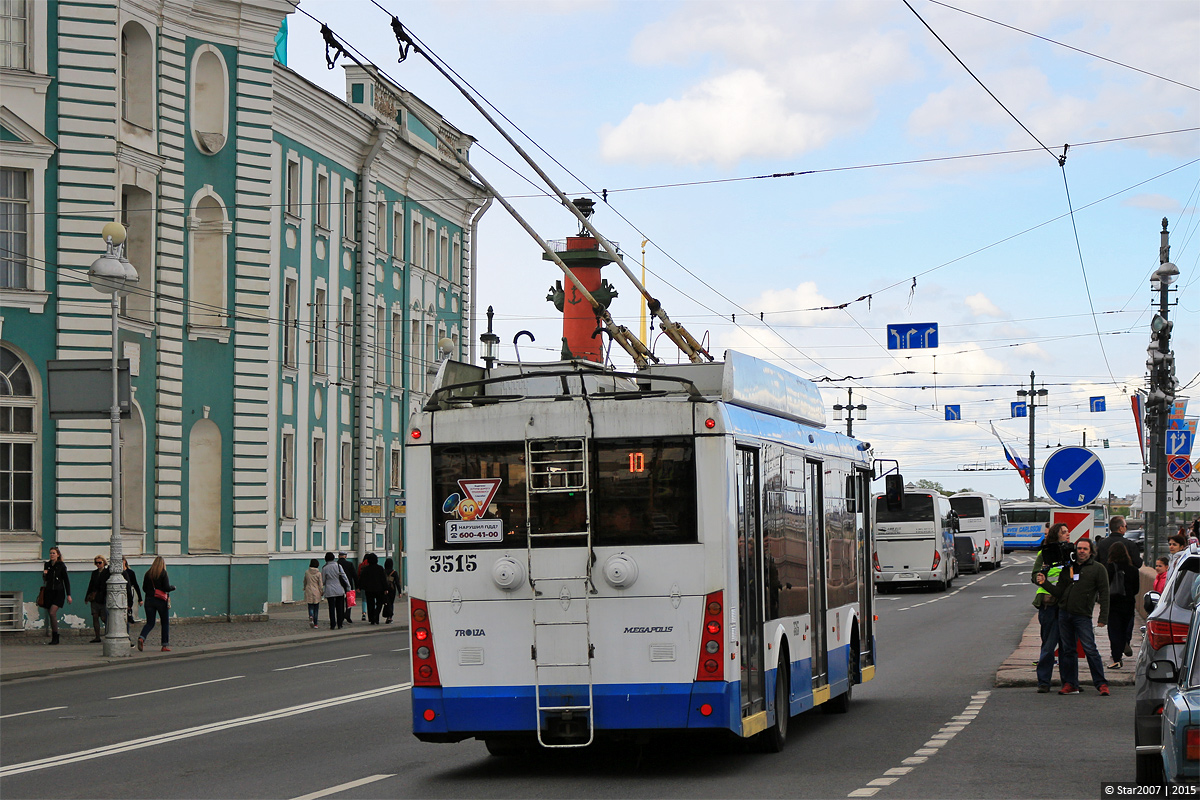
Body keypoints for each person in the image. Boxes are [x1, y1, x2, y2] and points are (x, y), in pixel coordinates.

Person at [1037, 537, 1110, 696]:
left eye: (1085, 549)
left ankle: (1101, 683)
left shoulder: (1098, 569)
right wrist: (1044, 583)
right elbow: (1059, 592)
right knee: (1068, 650)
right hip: (1064, 614)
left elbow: (1104, 594)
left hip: (1082, 615)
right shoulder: (1068, 568)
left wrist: (1103, 618)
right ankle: (1071, 684)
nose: (1081, 551)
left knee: (1090, 649)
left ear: (1091, 551)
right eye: (1079, 548)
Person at [1031, 523, 1072, 693]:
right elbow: (1034, 576)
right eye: (1064, 532)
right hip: (1048, 603)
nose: (1067, 534)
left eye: (1068, 532)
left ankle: (1068, 682)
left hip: (1066, 604)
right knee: (1048, 645)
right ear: (1056, 536)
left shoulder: (1072, 552)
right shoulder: (1045, 553)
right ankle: (1043, 681)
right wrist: (1042, 576)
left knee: (1066, 645)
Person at [1105, 540, 1139, 670]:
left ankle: (1117, 659)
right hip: (1128, 603)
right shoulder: (1133, 570)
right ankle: (1125, 642)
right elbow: (1136, 589)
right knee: (1126, 627)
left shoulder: (1109, 568)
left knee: (1114, 631)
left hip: (1113, 603)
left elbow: (1105, 586)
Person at [138, 556, 175, 652]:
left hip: (149, 600)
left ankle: (142, 637)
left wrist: (151, 592)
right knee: (165, 623)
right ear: (162, 564)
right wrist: (173, 587)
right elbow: (166, 587)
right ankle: (164, 645)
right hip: (161, 601)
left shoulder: (148, 574)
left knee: (150, 622)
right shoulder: (163, 573)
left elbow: (144, 588)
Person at [40, 546, 71, 645]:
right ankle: (54, 636)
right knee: (50, 614)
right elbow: (45, 579)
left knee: (53, 613)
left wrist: (68, 595)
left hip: (59, 592)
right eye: (50, 553)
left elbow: (66, 581)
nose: (52, 555)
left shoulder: (61, 565)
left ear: (58, 555)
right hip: (49, 592)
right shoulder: (47, 564)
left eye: (53, 553)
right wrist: (45, 574)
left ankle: (56, 635)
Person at [85, 555, 110, 643]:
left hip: (103, 597)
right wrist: (87, 596)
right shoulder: (94, 573)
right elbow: (91, 584)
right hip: (94, 597)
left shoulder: (107, 572)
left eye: (100, 562)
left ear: (104, 563)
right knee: (95, 616)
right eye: (97, 563)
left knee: (104, 617)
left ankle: (108, 632)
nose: (98, 564)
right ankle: (97, 636)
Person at [321, 552, 349, 630]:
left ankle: (332, 624)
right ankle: (340, 623)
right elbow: (344, 577)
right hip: (339, 589)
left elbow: (322, 580)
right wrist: (348, 587)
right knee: (340, 607)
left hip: (330, 590)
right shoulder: (338, 566)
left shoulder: (325, 568)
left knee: (331, 608)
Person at [358, 553, 387, 625]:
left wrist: (359, 587)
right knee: (379, 603)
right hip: (379, 589)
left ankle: (371, 618)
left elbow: (362, 579)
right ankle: (376, 615)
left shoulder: (366, 569)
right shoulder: (380, 568)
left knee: (370, 604)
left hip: (369, 589)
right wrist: (386, 588)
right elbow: (383, 579)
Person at [303, 558, 324, 629]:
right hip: (316, 591)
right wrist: (321, 591)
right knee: (316, 608)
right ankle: (315, 624)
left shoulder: (307, 572)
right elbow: (320, 584)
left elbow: (305, 581)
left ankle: (310, 616)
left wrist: (304, 587)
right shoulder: (318, 573)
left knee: (310, 606)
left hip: (308, 590)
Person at [122, 558, 142, 627]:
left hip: (129, 591)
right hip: (122, 592)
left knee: (128, 610)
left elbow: (136, 585)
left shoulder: (130, 572)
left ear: (124, 562)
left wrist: (140, 598)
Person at [337, 552, 356, 624]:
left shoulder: (336, 564)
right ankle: (348, 614)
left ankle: (341, 616)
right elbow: (354, 575)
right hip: (349, 585)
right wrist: (357, 586)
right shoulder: (349, 564)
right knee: (349, 601)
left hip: (339, 585)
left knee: (340, 601)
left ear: (339, 556)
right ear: (345, 556)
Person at [383, 557, 400, 624]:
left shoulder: (383, 571)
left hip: (385, 589)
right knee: (391, 603)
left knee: (386, 603)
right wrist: (400, 592)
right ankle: (390, 616)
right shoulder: (394, 572)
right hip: (392, 589)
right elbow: (397, 582)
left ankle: (387, 615)